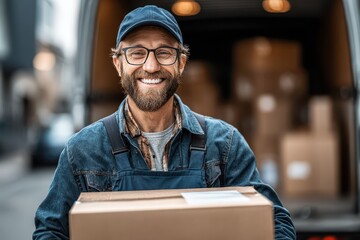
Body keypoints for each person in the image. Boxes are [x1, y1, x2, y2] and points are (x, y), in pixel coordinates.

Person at [33, 5, 296, 239]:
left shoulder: (224, 145)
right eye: (137, 53)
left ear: (181, 63)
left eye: (164, 52)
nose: (150, 66)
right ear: (118, 63)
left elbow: (277, 223)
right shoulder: (83, 151)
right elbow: (50, 231)